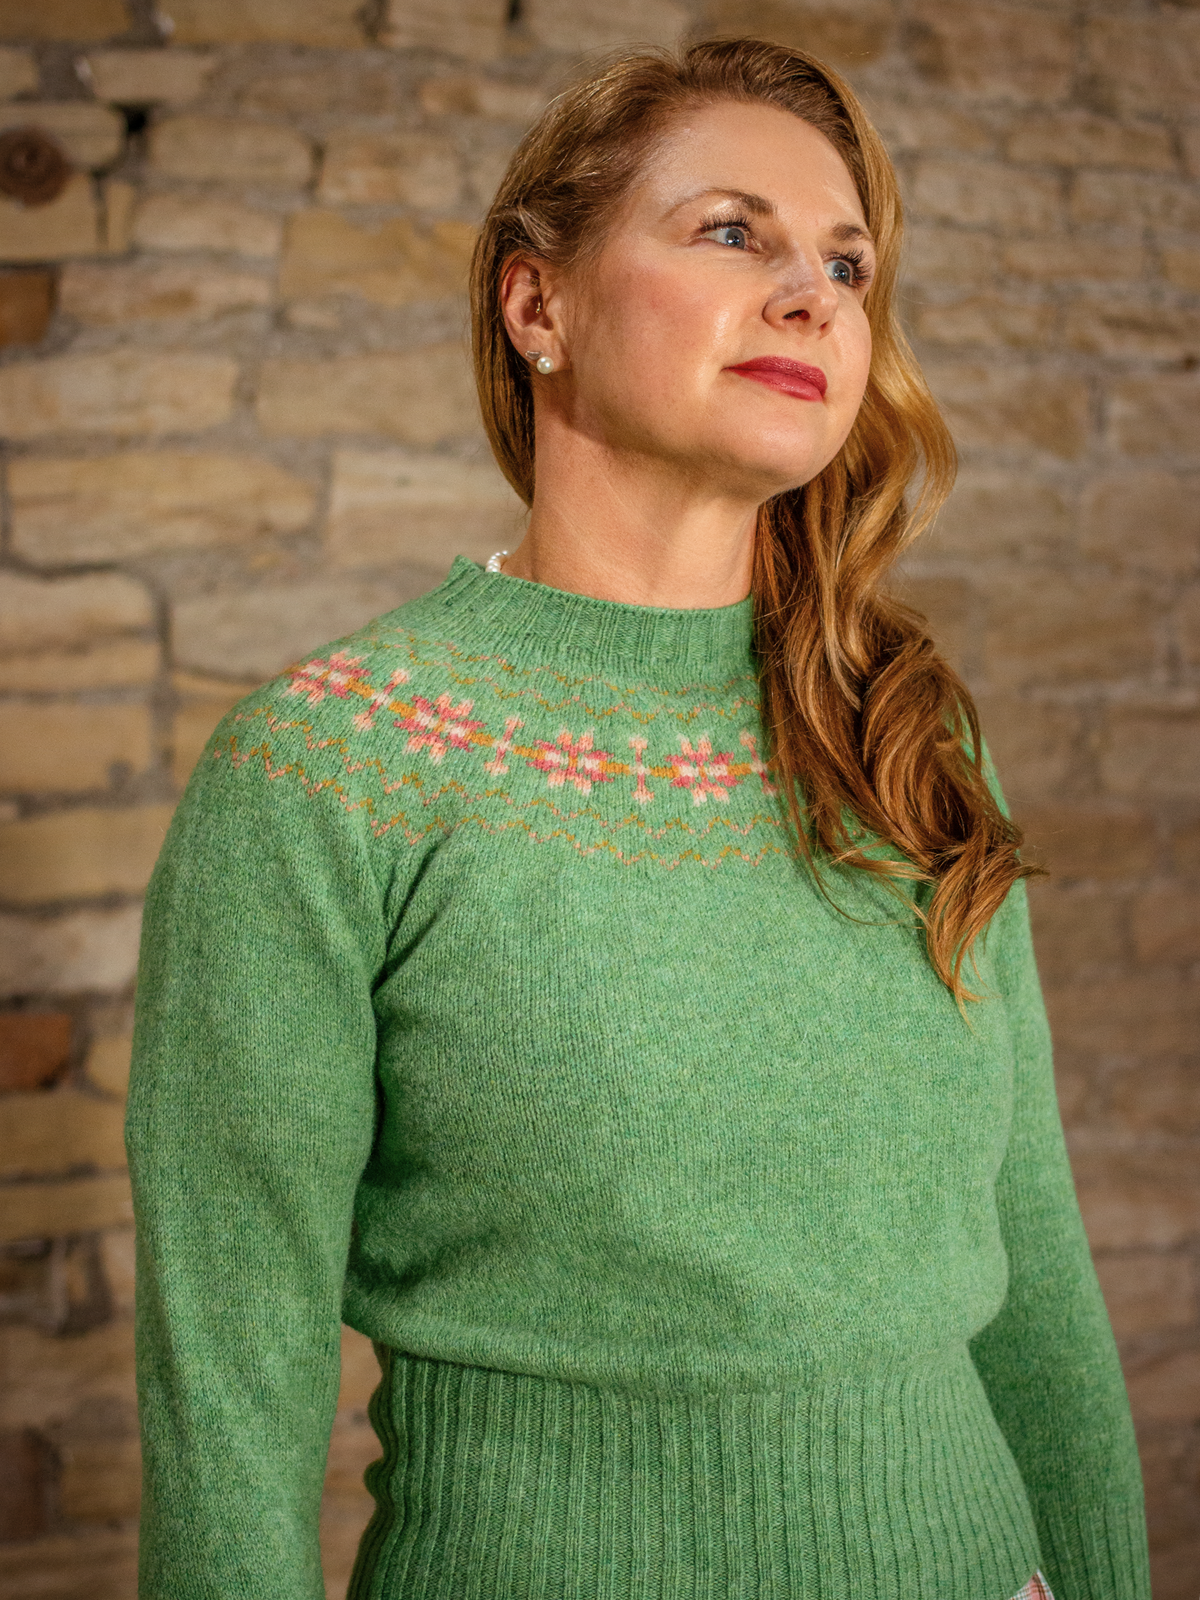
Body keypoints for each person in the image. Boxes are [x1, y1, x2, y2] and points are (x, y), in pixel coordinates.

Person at [126, 37, 1150, 1600]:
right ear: (537, 306)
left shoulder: (906, 740)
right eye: (733, 232)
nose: (813, 297)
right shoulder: (328, 772)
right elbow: (231, 1391)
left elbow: (1040, 1291)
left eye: (848, 264)